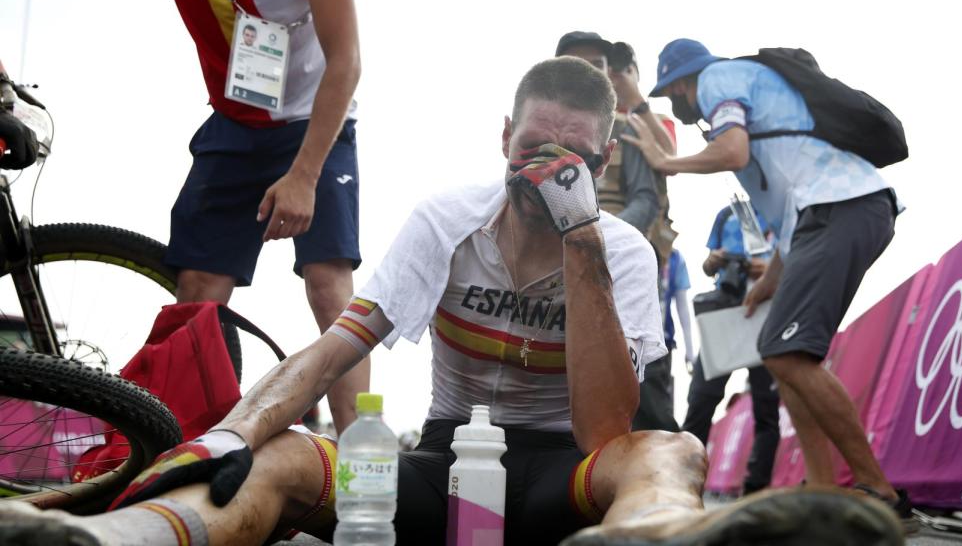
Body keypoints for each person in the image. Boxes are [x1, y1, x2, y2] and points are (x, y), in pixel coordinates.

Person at [0, 57, 904, 546]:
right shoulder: (449, 217)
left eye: (574, 160)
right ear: (502, 137)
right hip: (441, 462)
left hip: (563, 472)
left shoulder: (619, 249)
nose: (547, 170)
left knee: (669, 448)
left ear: (601, 165)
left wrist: (583, 238)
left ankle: (657, 539)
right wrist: (233, 432)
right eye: (533, 148)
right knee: (275, 454)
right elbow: (334, 349)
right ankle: (115, 541)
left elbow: (602, 430)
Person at [623, 38, 912, 525]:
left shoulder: (719, 78)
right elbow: (786, 234)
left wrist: (666, 162)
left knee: (784, 352)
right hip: (838, 214)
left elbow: (730, 150)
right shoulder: (767, 148)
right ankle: (823, 491)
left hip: (842, 208)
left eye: (673, 94)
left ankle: (879, 491)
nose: (678, 104)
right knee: (785, 355)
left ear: (684, 82)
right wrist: (764, 287)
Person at [162, 0, 365, 429]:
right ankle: (180, 444)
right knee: (196, 289)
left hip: (316, 120)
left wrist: (305, 175)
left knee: (328, 284)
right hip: (236, 119)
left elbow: (347, 60)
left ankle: (360, 459)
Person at [555, 31, 680, 432]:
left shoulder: (626, 127)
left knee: (642, 371)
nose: (586, 73)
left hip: (621, 259)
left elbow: (647, 198)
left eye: (596, 65)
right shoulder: (542, 126)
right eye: (575, 64)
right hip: (557, 262)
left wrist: (603, 239)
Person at [681, 204, 780, 496]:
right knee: (700, 401)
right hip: (725, 310)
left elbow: (797, 258)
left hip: (766, 312)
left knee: (766, 408)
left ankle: (756, 491)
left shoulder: (783, 209)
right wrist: (714, 261)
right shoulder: (727, 213)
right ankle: (684, 483)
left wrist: (770, 269)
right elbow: (708, 263)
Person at [661, 248, 694, 369]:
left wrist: (690, 350)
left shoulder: (675, 258)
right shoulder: (635, 248)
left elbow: (683, 307)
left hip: (664, 341)